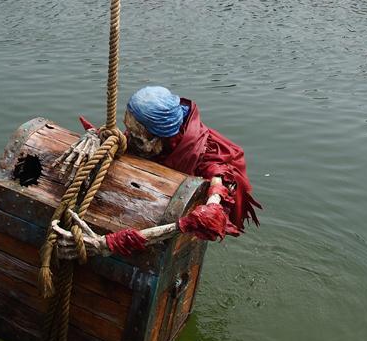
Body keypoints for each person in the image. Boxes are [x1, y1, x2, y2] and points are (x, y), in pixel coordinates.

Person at [52, 86, 260, 258]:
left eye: (137, 137)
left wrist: (108, 244)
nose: (128, 139)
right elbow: (123, 139)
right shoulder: (151, 133)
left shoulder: (209, 161)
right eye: (128, 130)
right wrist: (94, 136)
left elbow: (199, 220)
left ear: (159, 139)